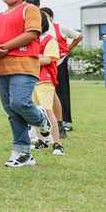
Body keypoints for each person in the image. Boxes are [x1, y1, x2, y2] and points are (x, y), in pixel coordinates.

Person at [0, 0, 53, 167]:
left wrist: (3, 47)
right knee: (11, 110)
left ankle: (40, 119)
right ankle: (23, 153)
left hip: (23, 65)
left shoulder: (30, 9)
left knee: (19, 102)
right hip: (1, 68)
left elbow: (31, 34)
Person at [41, 7, 82, 135]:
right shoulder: (37, 32)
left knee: (61, 92)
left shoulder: (60, 28)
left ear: (52, 17)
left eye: (47, 16)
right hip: (44, 64)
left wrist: (68, 49)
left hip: (59, 62)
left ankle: (64, 122)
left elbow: (79, 36)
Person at [32, 11, 64, 155]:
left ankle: (57, 143)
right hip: (31, 78)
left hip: (45, 79)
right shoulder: (32, 40)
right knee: (35, 111)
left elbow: (47, 60)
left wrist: (30, 60)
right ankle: (41, 141)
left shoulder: (50, 40)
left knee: (47, 110)